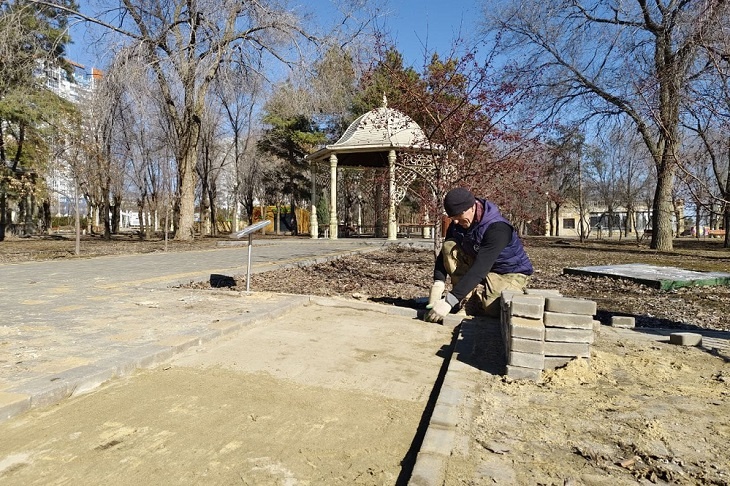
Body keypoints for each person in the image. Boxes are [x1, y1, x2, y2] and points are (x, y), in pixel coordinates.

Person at [425, 187, 534, 322]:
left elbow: (480, 269)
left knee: (494, 308)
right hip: (480, 266)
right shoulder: (457, 224)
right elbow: (444, 253)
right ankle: (468, 301)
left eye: (459, 216)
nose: (456, 222)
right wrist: (438, 282)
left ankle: (489, 296)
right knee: (450, 245)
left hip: (508, 271)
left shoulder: (497, 228)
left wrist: (449, 300)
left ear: (472, 207)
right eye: (452, 217)